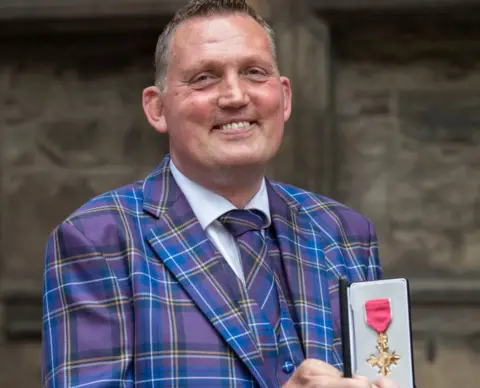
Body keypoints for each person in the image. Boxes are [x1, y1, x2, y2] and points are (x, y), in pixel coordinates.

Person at [41, 1, 399, 387]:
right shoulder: (97, 241)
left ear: (284, 98)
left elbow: (385, 372)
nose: (234, 96)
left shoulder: (345, 233)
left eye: (254, 72)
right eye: (204, 78)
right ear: (157, 108)